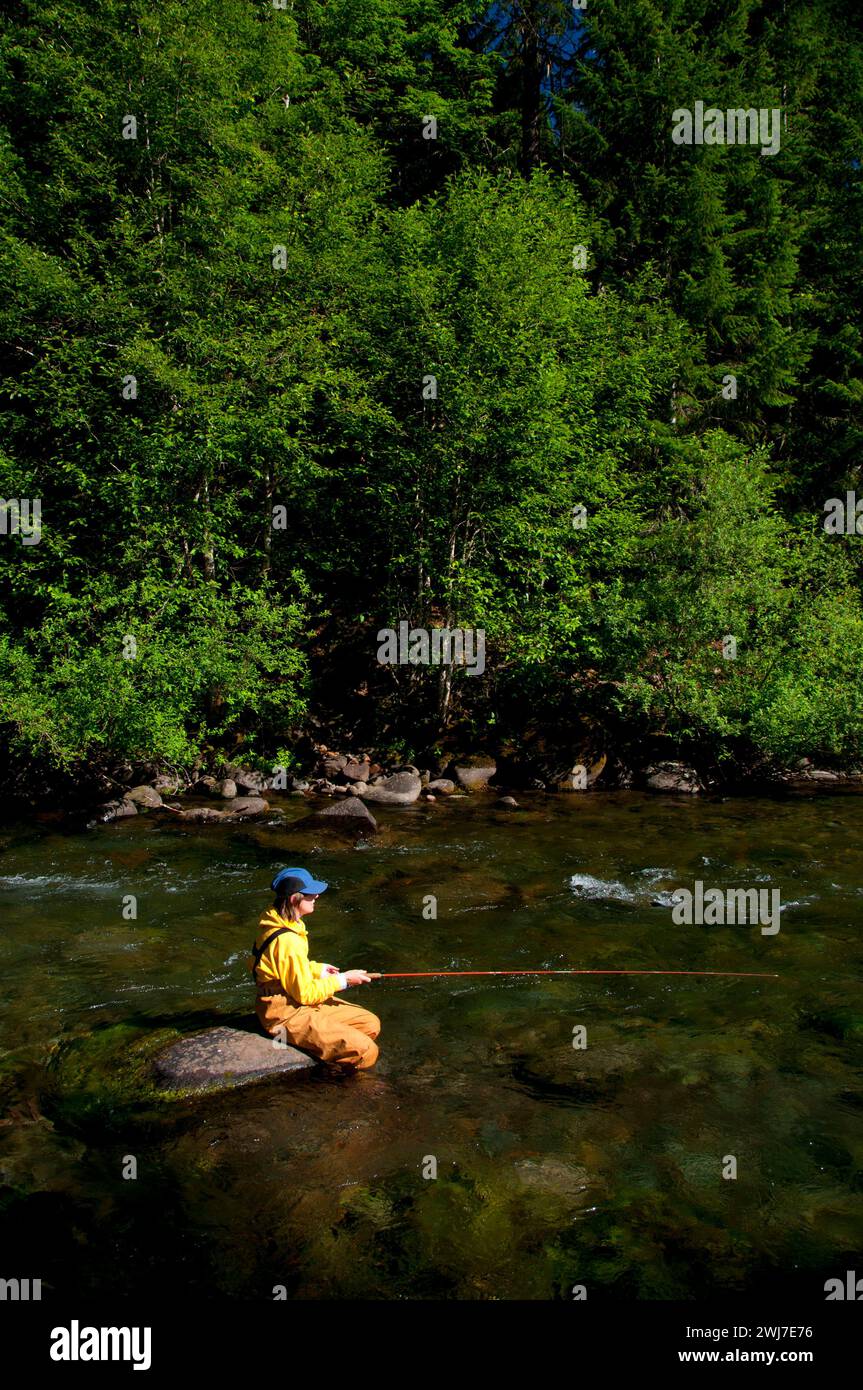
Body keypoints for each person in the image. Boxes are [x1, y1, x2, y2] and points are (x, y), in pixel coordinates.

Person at [250, 866, 381, 1071]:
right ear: (294, 899)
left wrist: (316, 970)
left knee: (370, 1024)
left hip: (292, 997)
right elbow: (305, 994)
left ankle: (326, 1052)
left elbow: (282, 965)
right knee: (367, 1051)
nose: (316, 896)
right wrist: (344, 980)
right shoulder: (287, 940)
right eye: (310, 894)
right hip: (284, 1012)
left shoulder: (283, 921)